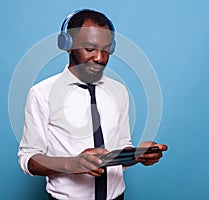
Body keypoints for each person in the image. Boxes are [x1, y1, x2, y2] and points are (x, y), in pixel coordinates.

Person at [18, 9, 168, 200]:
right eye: (90, 49)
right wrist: (73, 164)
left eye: (106, 50)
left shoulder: (119, 91)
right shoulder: (41, 94)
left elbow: (120, 148)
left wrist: (137, 155)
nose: (100, 58)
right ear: (68, 45)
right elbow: (28, 159)